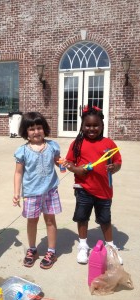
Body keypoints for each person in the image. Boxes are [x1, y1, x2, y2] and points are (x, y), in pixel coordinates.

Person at [64, 106, 123, 265]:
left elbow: (118, 161)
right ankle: (83, 245)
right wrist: (77, 169)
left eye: (95, 125)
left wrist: (114, 168)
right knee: (82, 218)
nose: (91, 129)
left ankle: (110, 247)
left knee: (105, 219)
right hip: (83, 189)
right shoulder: (77, 144)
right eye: (87, 125)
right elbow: (68, 162)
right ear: (82, 126)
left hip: (104, 190)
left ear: (102, 126)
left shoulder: (109, 143)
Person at [13, 112, 62, 269]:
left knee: (50, 220)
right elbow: (18, 172)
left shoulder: (52, 146)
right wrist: (16, 192)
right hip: (32, 192)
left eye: (39, 128)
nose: (36, 131)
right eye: (31, 128)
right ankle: (32, 249)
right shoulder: (23, 150)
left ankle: (51, 251)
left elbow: (58, 162)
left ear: (44, 129)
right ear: (25, 132)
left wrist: (63, 164)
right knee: (32, 221)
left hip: (50, 191)